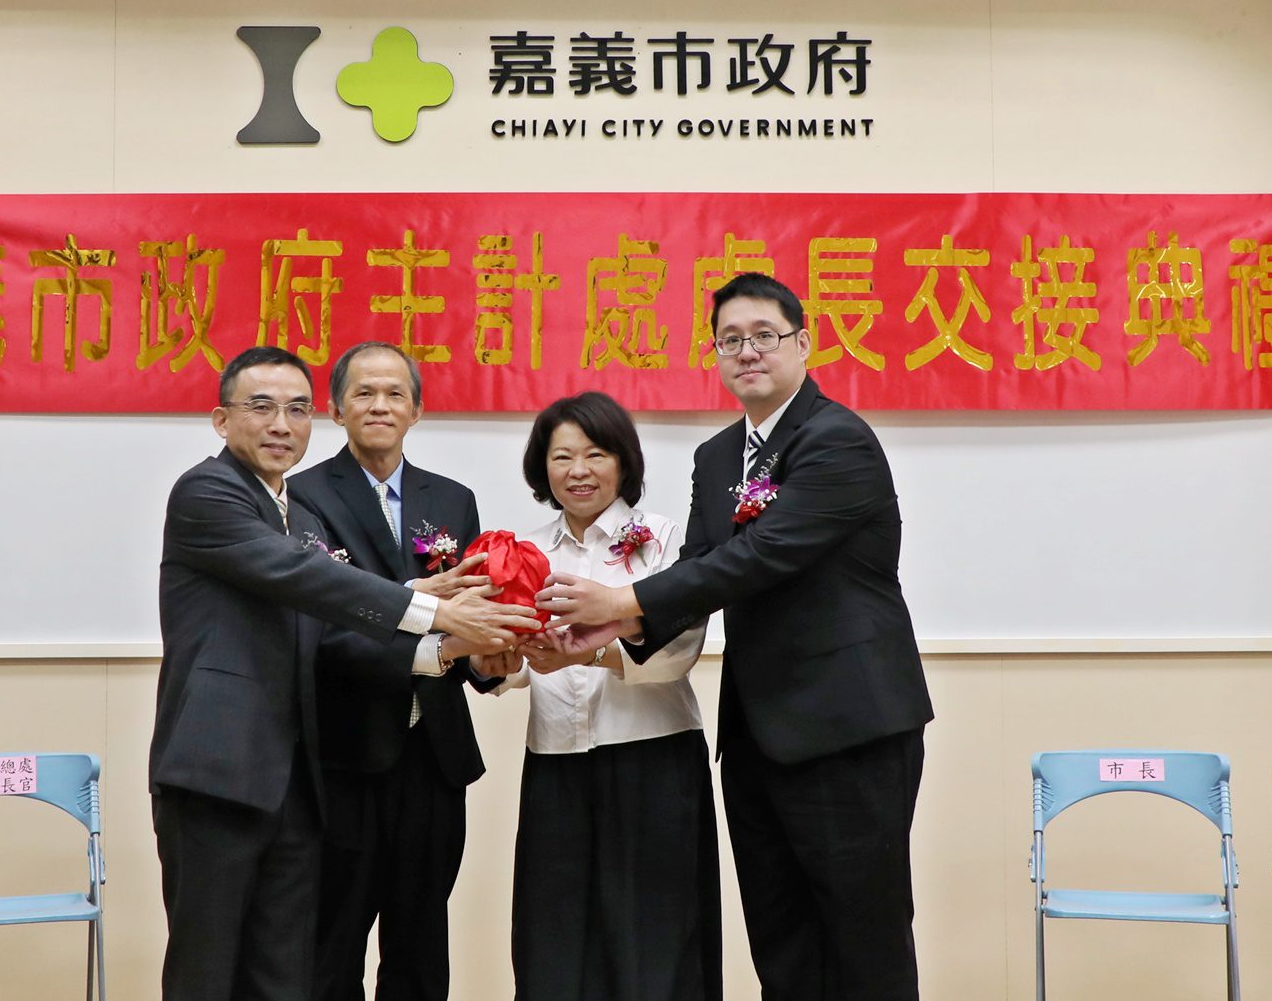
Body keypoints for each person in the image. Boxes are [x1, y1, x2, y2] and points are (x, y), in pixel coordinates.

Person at [538, 274, 935, 1001]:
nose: (746, 351)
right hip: (756, 734)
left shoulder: (838, 439)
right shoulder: (717, 456)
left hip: (849, 728)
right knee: (780, 935)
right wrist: (613, 628)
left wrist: (621, 597)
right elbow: (698, 566)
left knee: (862, 934)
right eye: (729, 340)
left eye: (763, 335)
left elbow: (760, 556)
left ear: (803, 343)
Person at [149, 345, 540, 1001]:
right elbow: (305, 579)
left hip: (298, 777)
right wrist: (434, 610)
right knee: (210, 966)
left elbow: (320, 611)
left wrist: (445, 624)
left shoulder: (297, 516)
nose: (281, 424)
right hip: (222, 768)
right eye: (262, 406)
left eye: (295, 409)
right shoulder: (207, 491)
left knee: (284, 971)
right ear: (221, 419)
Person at [477, 391, 720, 1001]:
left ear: (623, 461)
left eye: (595, 454)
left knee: (656, 939)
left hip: (653, 761)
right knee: (556, 938)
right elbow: (512, 664)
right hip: (555, 764)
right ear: (542, 468)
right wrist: (493, 661)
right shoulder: (525, 552)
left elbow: (679, 650)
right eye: (561, 457)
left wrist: (592, 654)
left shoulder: (662, 540)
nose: (578, 471)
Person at [287, 341, 492, 1001]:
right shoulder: (301, 498)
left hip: (435, 755)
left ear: (417, 409)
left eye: (395, 393)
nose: (380, 405)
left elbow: (470, 609)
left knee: (421, 945)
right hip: (344, 756)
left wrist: (489, 659)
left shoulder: (452, 499)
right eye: (364, 393)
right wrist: (426, 612)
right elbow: (319, 627)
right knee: (332, 945)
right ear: (335, 408)